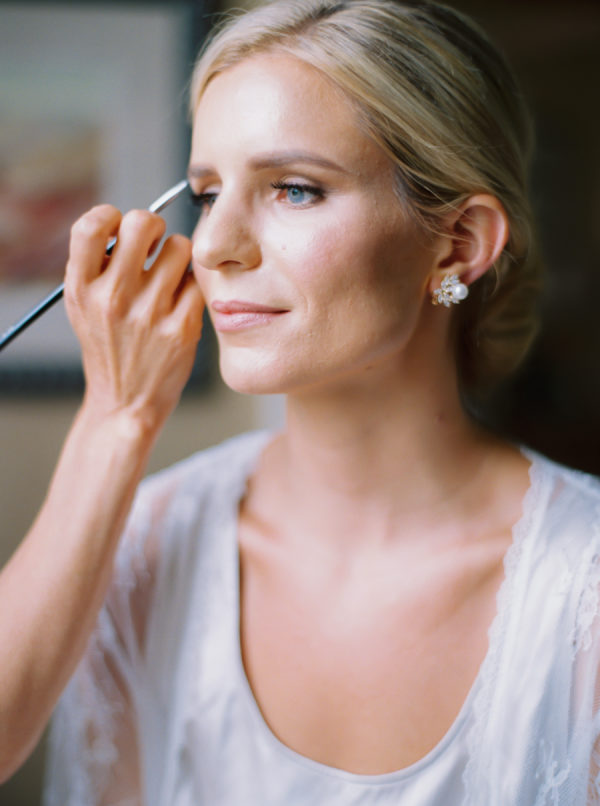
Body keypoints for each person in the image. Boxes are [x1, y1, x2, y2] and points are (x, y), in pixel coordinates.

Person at [1, 0, 598, 803]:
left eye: (293, 190)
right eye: (208, 193)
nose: (213, 247)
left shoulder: (582, 590)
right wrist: (115, 419)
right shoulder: (138, 544)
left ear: (458, 243)